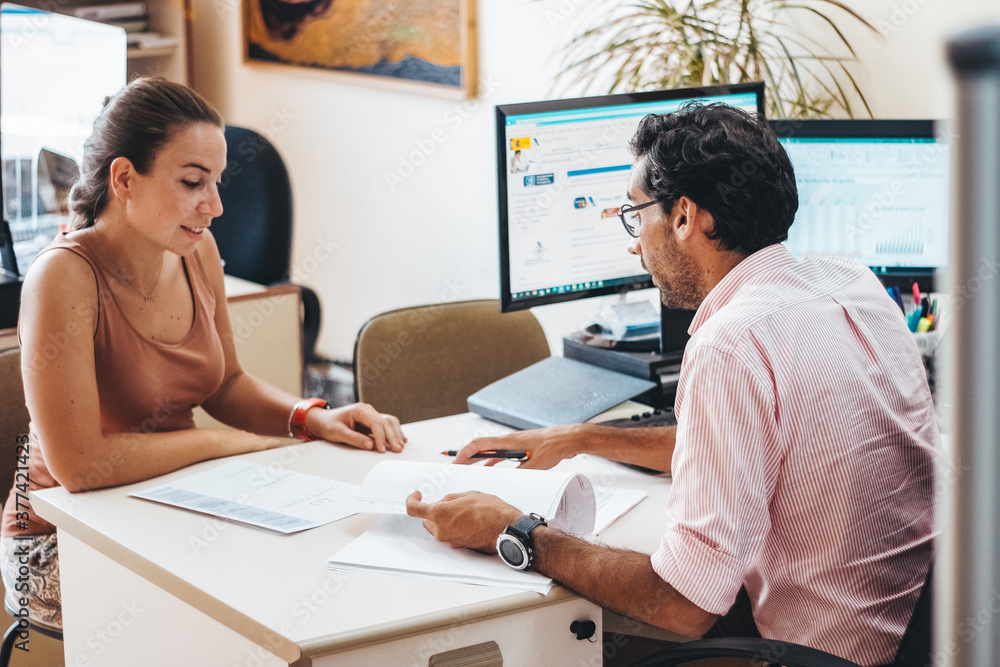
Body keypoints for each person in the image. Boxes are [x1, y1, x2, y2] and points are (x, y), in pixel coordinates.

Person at [407, 103, 936, 666]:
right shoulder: (852, 283)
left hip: (816, 654)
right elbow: (767, 444)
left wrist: (512, 531)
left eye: (636, 216)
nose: (634, 244)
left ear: (685, 217)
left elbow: (685, 602)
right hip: (916, 635)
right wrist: (582, 438)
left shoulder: (730, 342)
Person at [1, 77, 406, 631]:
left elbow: (225, 384)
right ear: (124, 178)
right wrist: (220, 444)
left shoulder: (196, 250)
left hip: (175, 497)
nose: (215, 206)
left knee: (322, 574)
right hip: (61, 532)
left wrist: (312, 417)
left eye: (216, 183)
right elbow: (80, 467)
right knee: (234, 616)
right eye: (193, 182)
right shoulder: (63, 276)